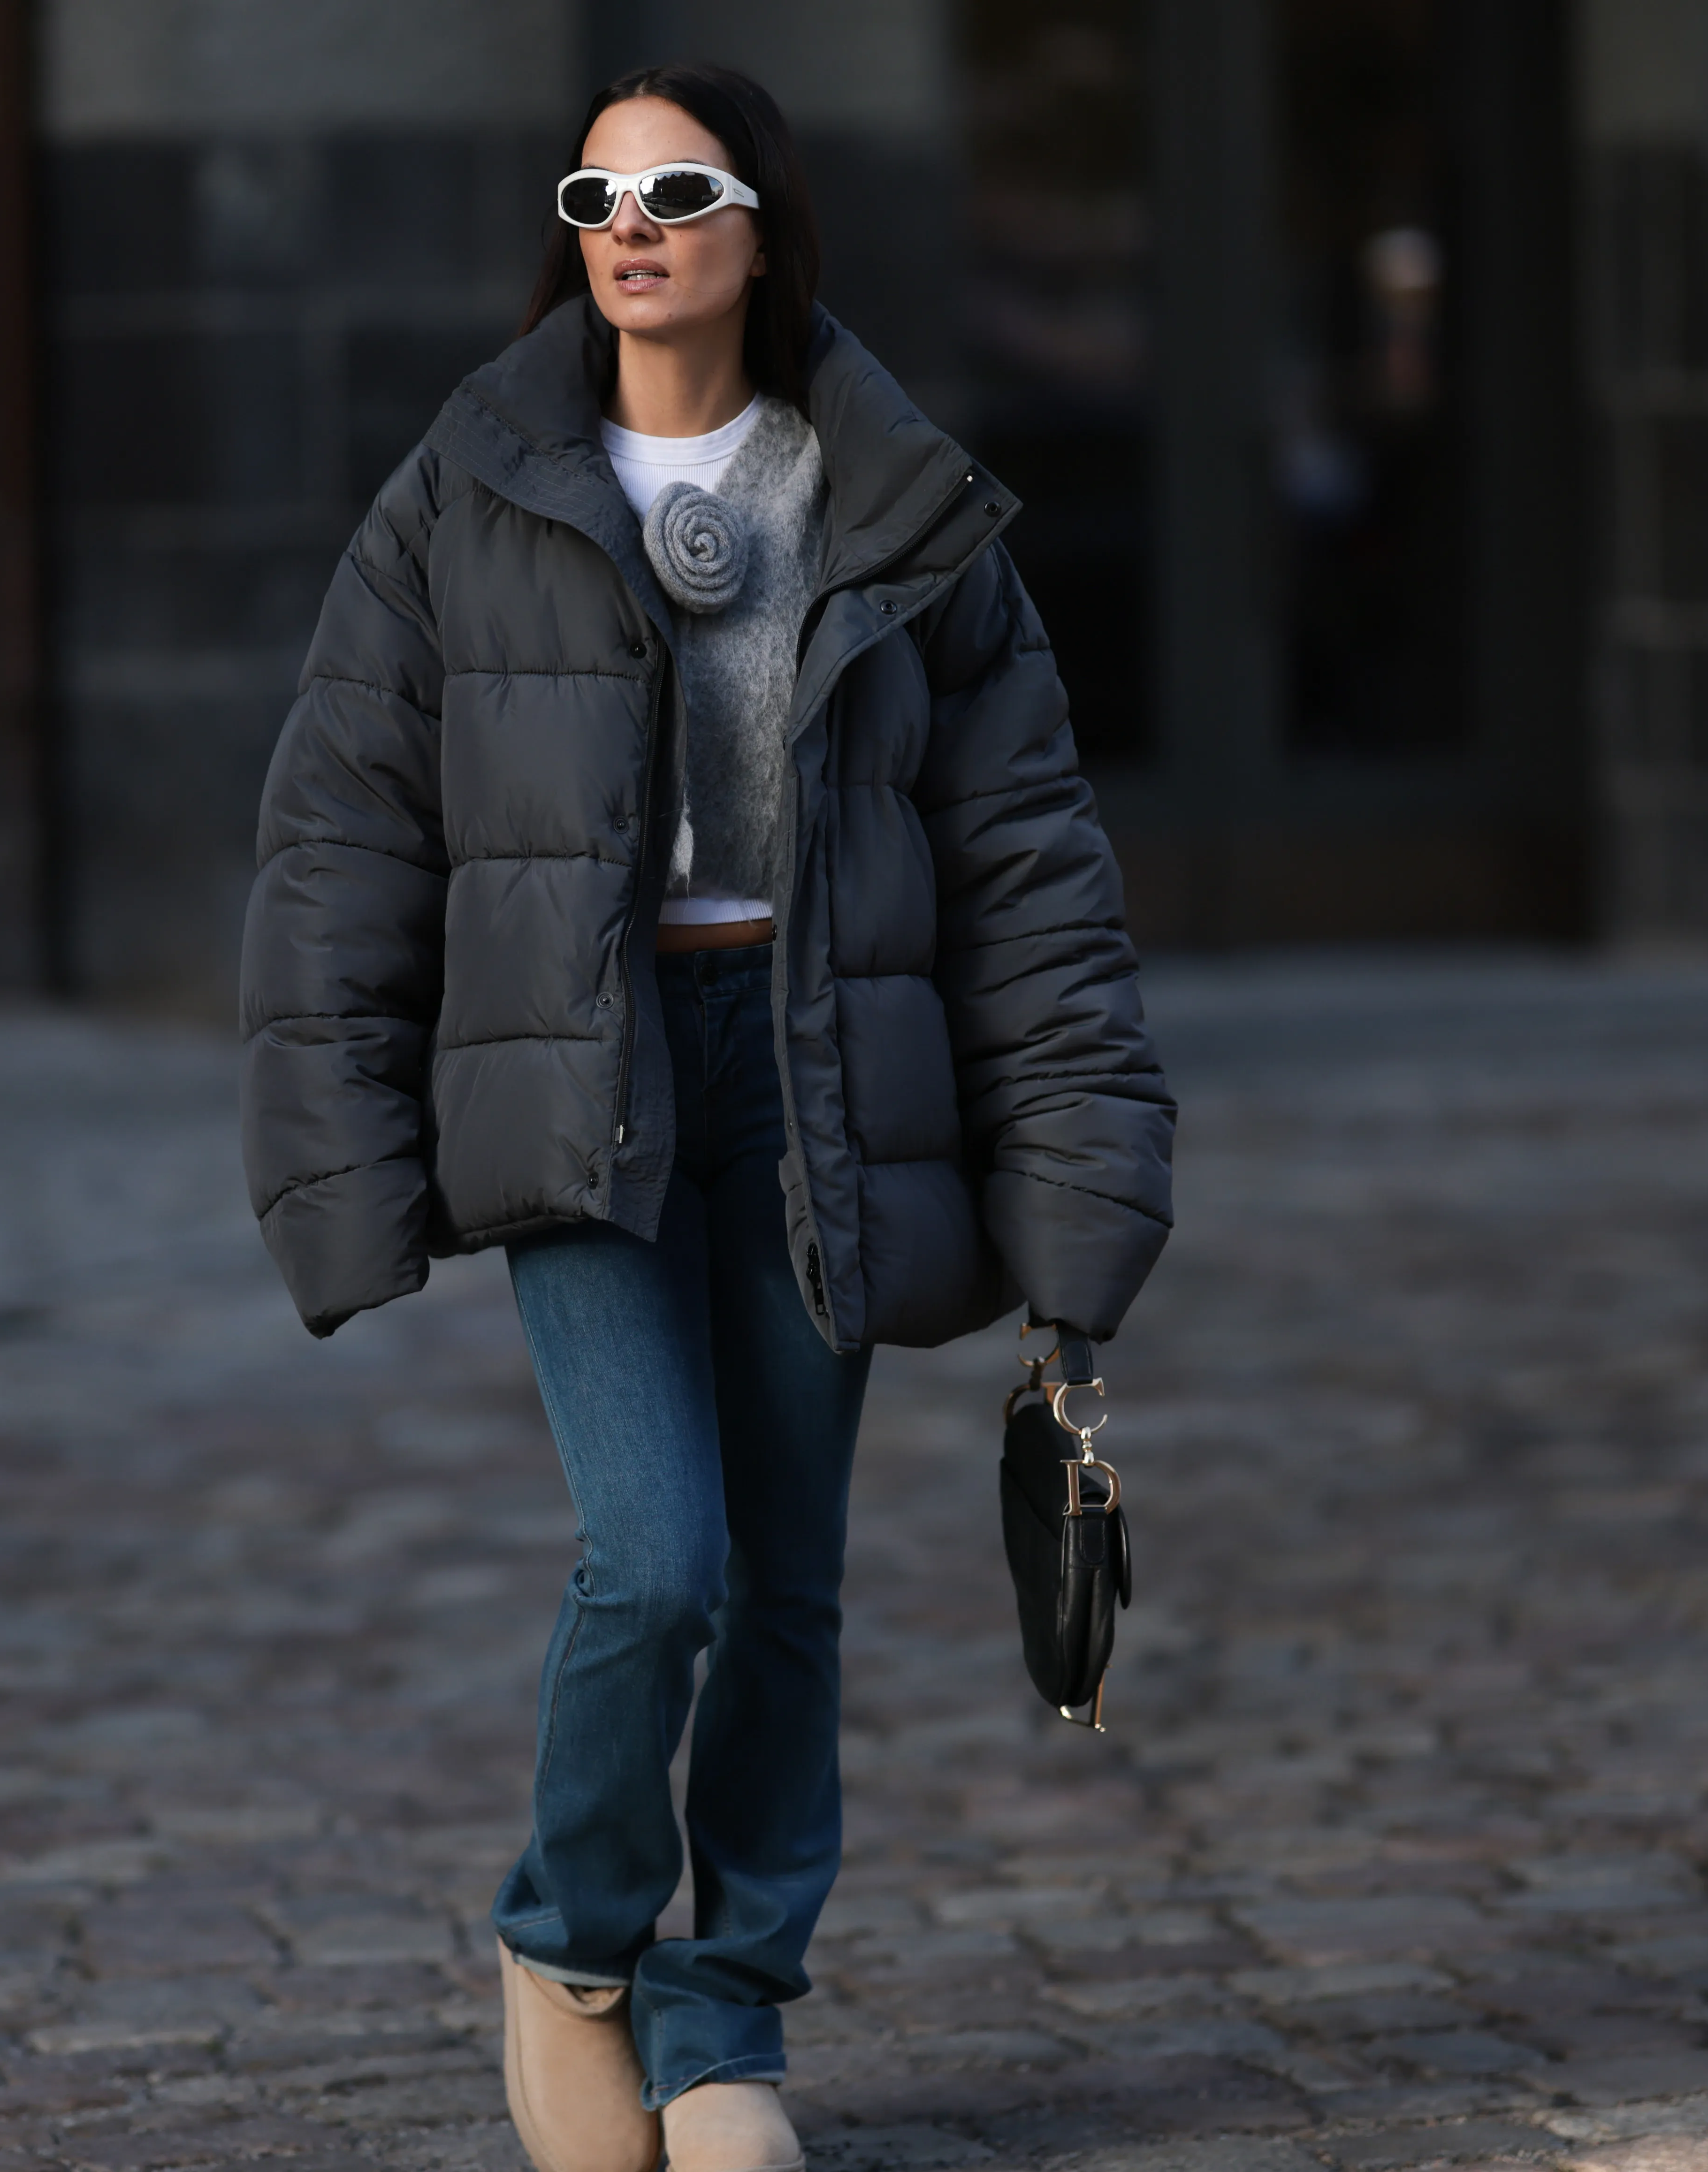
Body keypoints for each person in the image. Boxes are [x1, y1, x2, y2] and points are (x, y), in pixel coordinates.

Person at [236, 62, 1172, 2172]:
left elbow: (1025, 857)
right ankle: (568, 1947)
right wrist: (335, 1150)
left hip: (819, 1061)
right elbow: (341, 833)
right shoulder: (463, 490)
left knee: (787, 1585)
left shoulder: (900, 499)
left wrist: (1077, 1190)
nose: (630, 220)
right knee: (651, 1556)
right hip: (586, 1069)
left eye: (675, 186)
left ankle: (726, 2011)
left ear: (762, 225)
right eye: (594, 188)